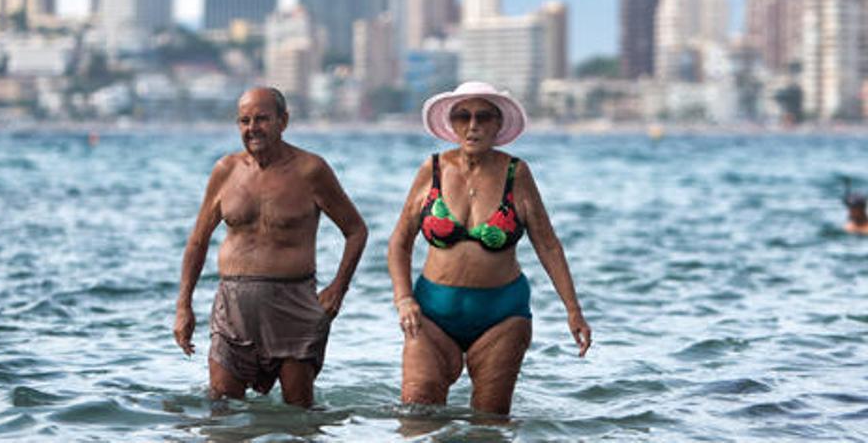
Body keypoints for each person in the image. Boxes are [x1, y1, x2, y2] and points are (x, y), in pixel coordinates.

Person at [387, 81, 592, 415]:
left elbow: (548, 246)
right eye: (462, 116)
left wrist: (573, 310)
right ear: (451, 125)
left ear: (498, 125)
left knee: (490, 420)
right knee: (416, 413)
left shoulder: (517, 173)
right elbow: (398, 243)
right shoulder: (433, 170)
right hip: (431, 315)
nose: (473, 125)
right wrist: (404, 298)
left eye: (483, 116)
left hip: (502, 316)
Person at [173, 87, 368, 407]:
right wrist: (184, 306)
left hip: (294, 306)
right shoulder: (226, 170)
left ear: (284, 120)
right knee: (221, 413)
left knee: (298, 416)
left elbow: (356, 230)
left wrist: (338, 289)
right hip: (233, 308)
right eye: (244, 121)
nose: (252, 128)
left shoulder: (311, 170)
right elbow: (197, 241)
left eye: (262, 119)